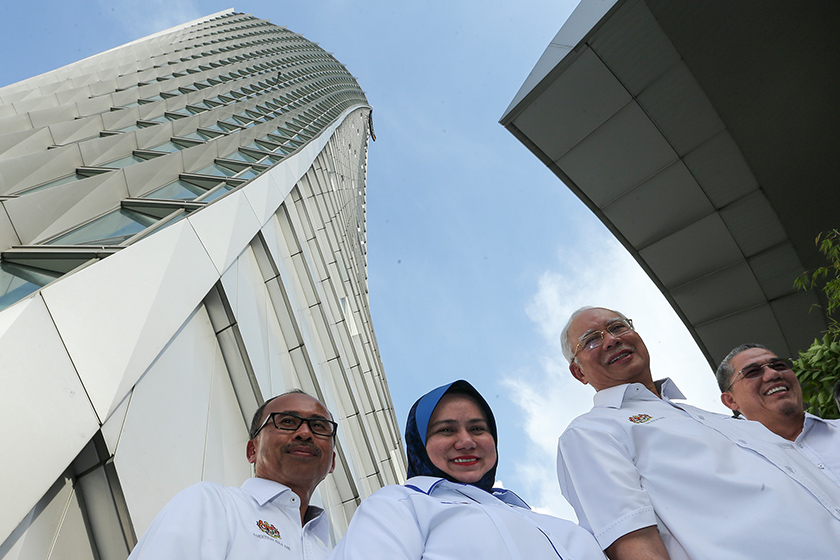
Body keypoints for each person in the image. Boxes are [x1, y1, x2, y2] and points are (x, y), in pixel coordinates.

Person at [556, 306, 840, 560]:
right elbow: (631, 542)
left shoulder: (710, 419)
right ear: (578, 372)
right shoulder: (591, 432)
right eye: (592, 339)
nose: (612, 339)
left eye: (618, 327)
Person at [330, 380, 606, 559]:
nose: (465, 442)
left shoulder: (561, 527)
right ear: (419, 443)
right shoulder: (399, 504)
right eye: (446, 430)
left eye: (477, 429)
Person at [128, 390, 336, 559]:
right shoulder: (212, 504)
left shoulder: (331, 554)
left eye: (318, 426)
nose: (305, 433)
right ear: (252, 450)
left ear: (332, 462)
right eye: (288, 422)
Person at [717, 342, 840, 485]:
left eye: (780, 366)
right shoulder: (735, 473)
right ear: (731, 400)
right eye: (753, 372)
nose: (773, 374)